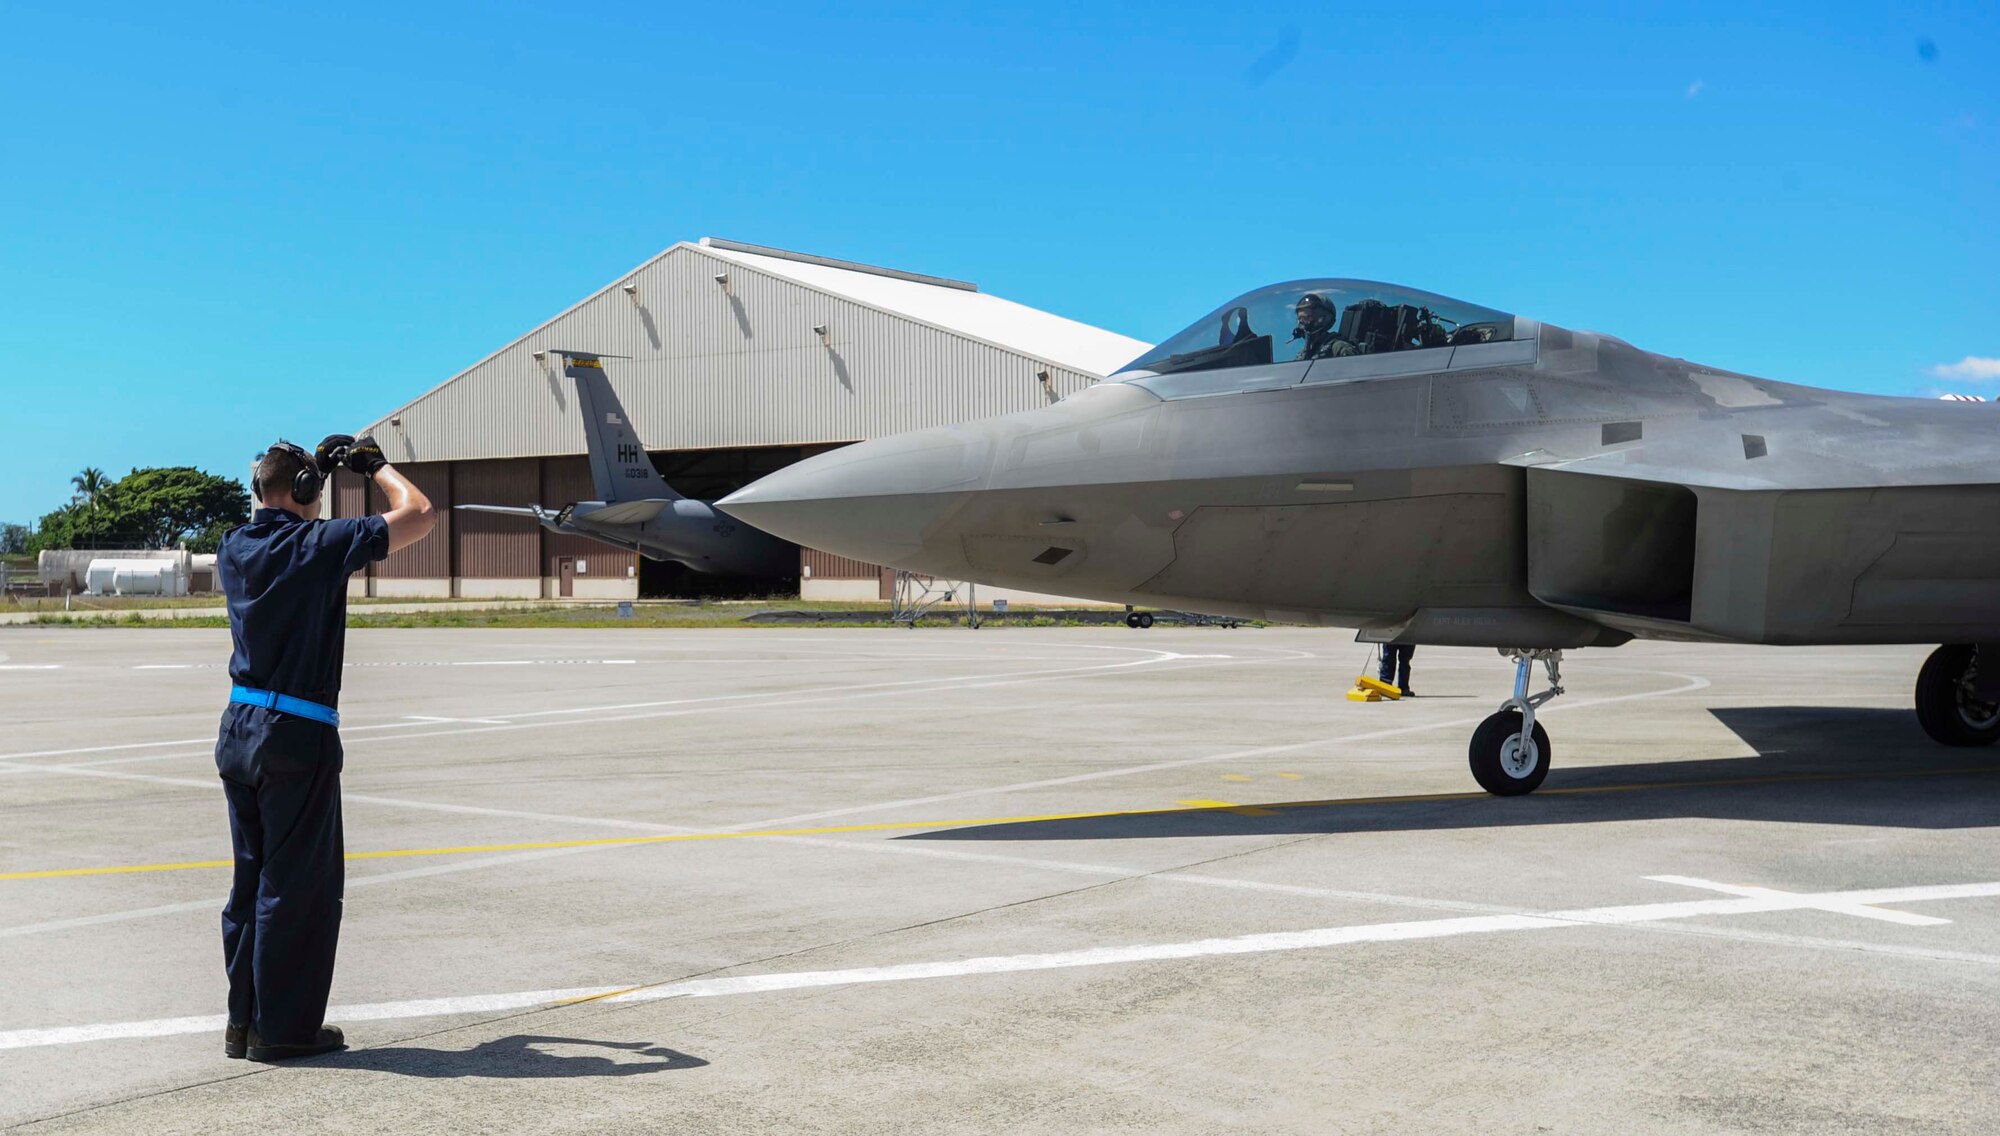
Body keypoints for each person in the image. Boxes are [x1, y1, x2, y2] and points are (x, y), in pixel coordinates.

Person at [215, 434, 435, 1062]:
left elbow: (283, 520)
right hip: (296, 736)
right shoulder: (317, 544)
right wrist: (374, 467)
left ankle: (243, 1022)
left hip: (239, 728)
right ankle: (283, 1030)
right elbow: (419, 511)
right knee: (298, 887)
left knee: (250, 882)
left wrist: (305, 477)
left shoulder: (234, 546)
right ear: (308, 494)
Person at [1292, 293, 1357, 361]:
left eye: (1308, 317)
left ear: (1323, 319)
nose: (1303, 323)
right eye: (1300, 318)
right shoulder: (1304, 353)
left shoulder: (1339, 346)